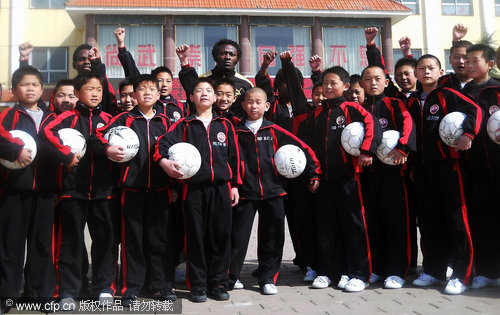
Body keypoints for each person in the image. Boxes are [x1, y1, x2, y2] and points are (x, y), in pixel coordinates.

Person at [229, 87, 321, 294]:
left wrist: (313, 173)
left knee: (273, 236)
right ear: (243, 105)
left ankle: (268, 278)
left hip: (274, 191)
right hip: (245, 192)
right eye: (249, 102)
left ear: (267, 106)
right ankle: (232, 276)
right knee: (238, 236)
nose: (254, 106)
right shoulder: (235, 131)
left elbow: (304, 150)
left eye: (258, 102)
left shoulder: (274, 130)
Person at [155, 78, 240, 303]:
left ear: (215, 98)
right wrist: (164, 162)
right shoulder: (183, 125)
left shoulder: (226, 125)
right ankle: (198, 285)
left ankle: (219, 282)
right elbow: (161, 145)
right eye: (198, 91)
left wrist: (234, 185)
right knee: (195, 237)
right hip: (192, 191)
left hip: (221, 189)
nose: (204, 94)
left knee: (221, 236)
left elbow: (235, 157)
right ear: (191, 98)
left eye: (209, 91)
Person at [94, 74, 176, 305]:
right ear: (134, 94)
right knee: (133, 241)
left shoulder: (167, 122)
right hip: (131, 191)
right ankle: (131, 287)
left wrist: (175, 186)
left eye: (152, 88)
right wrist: (108, 149)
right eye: (142, 89)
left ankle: (161, 285)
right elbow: (97, 137)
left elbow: (178, 151)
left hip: (161, 190)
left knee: (159, 241)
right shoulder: (123, 119)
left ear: (159, 94)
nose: (147, 93)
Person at [407, 55, 481, 295]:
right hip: (422, 169)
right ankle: (433, 270)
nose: (426, 71)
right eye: (422, 68)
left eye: (431, 68)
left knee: (457, 221)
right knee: (428, 222)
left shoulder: (448, 94)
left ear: (440, 72)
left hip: (449, 166)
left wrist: (468, 134)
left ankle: (463, 274)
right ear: (416, 74)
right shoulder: (412, 101)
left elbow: (475, 110)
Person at [43, 71, 117, 310]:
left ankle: (104, 287)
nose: (95, 93)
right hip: (72, 191)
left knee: (105, 241)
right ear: (77, 94)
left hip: (104, 192)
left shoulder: (110, 119)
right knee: (71, 242)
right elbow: (45, 133)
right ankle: (69, 290)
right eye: (89, 89)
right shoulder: (65, 117)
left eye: (99, 89)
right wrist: (64, 155)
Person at [310, 66, 381, 292]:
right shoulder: (318, 114)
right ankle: (330, 272)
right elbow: (313, 147)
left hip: (350, 177)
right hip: (325, 180)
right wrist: (314, 173)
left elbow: (373, 125)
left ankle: (359, 273)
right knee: (326, 227)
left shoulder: (352, 108)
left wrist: (367, 151)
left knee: (354, 225)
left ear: (345, 86)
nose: (328, 87)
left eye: (333, 83)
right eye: (325, 84)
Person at [0, 66, 55, 313]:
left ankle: (40, 294)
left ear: (42, 89)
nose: (30, 88)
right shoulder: (6, 117)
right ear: (14, 91)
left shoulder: (51, 117)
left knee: (42, 244)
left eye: (34, 84)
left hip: (45, 191)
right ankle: (7, 295)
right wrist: (15, 151)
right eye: (24, 84)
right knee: (10, 245)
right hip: (13, 190)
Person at [359, 65, 416, 289]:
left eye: (377, 79)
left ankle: (397, 270)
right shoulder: (359, 109)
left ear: (386, 82)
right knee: (372, 221)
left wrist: (403, 148)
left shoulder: (395, 103)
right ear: (362, 84)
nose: (373, 83)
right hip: (367, 173)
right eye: (367, 79)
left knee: (396, 222)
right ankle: (378, 268)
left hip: (394, 173)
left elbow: (408, 125)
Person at [461, 47, 500, 289]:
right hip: (473, 167)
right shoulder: (463, 92)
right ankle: (486, 270)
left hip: (498, 164)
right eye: (467, 61)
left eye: (475, 61)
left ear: (490, 63)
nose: (469, 65)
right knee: (481, 219)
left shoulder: (497, 89)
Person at [114, 27, 187, 122]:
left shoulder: (180, 106)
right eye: (160, 81)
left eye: (168, 81)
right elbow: (131, 69)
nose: (164, 84)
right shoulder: (148, 102)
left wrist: (184, 61)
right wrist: (121, 45)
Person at [438, 24, 472, 91]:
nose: (461, 61)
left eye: (465, 57)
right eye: (456, 57)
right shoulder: (441, 83)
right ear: (450, 59)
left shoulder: (483, 85)